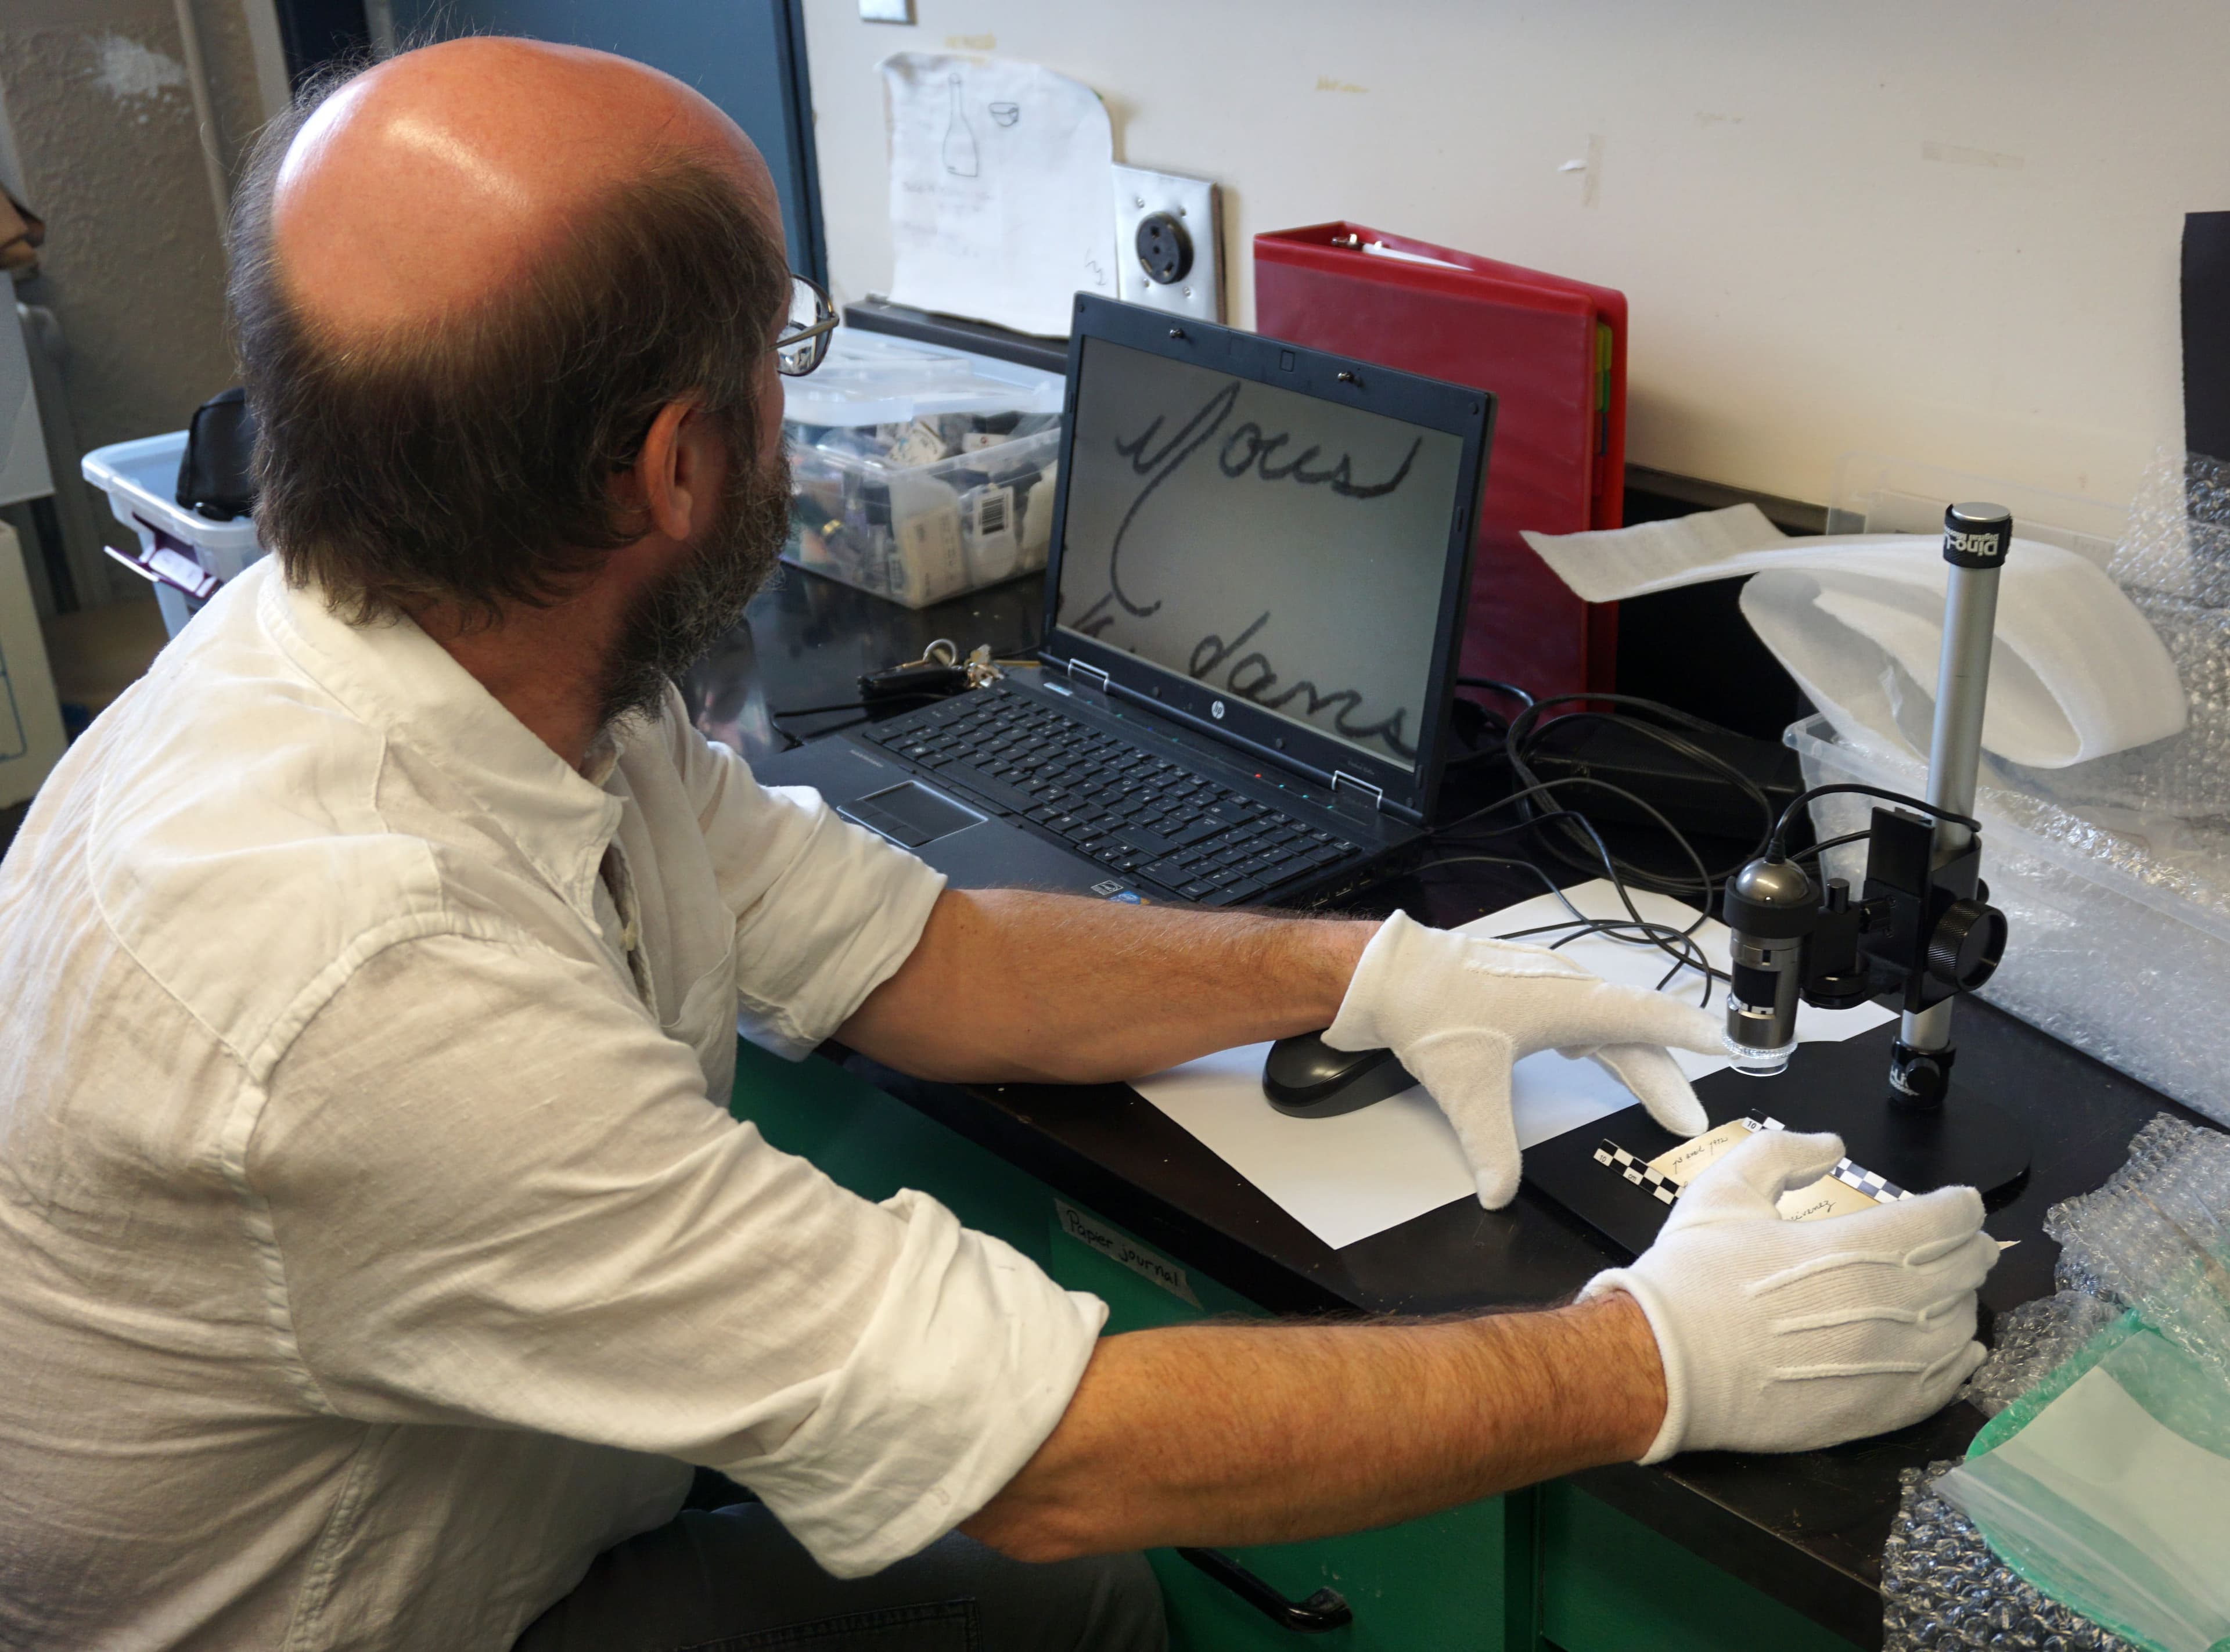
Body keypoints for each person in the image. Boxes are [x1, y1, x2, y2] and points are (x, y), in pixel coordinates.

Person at [0, 39, 1995, 1652]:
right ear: (677, 469)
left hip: (485, 1481)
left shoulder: (479, 671)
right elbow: (1044, 1450)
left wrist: (1363, 971)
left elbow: (920, 959)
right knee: (1070, 1577)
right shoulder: (354, 959)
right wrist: (1653, 1355)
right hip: (388, 1616)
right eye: (781, 355)